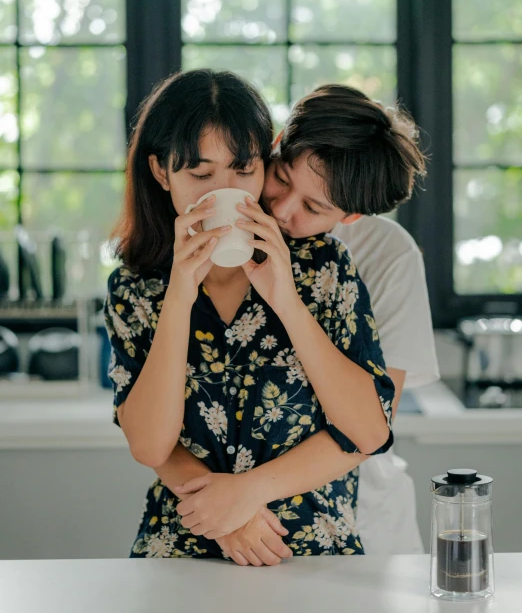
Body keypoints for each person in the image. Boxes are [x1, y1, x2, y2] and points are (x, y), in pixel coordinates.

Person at [105, 69, 394, 562]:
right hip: (185, 547)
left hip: (308, 553)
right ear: (160, 172)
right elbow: (152, 447)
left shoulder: (321, 266)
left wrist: (286, 300)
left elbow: (369, 431)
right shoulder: (136, 288)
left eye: (244, 170)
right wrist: (178, 294)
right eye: (200, 175)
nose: (226, 191)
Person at [160, 82, 439, 559]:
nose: (283, 210)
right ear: (275, 146)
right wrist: (224, 510)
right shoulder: (210, 237)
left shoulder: (383, 257)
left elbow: (369, 426)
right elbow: (167, 420)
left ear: (351, 217)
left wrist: (248, 494)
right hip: (212, 517)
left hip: (356, 516)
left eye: (314, 207)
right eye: (282, 178)